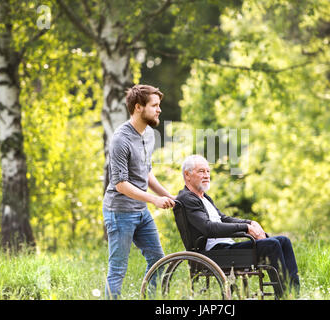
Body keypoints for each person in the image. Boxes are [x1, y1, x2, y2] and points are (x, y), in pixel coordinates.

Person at [176, 155, 300, 297]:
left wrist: (250, 223)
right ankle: (284, 296)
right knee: (271, 244)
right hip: (212, 253)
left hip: (225, 248)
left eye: (208, 171)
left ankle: (295, 294)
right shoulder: (187, 198)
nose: (206, 175)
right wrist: (245, 229)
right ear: (187, 175)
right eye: (201, 172)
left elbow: (223, 219)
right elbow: (208, 228)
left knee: (284, 241)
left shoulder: (204, 197)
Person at [102, 84, 175, 299]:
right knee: (117, 270)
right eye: (154, 105)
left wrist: (169, 196)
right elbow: (120, 184)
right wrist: (154, 200)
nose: (159, 109)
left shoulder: (149, 134)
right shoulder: (120, 140)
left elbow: (146, 174)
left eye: (159, 105)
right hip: (119, 213)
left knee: (158, 262)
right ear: (138, 107)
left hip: (140, 211)